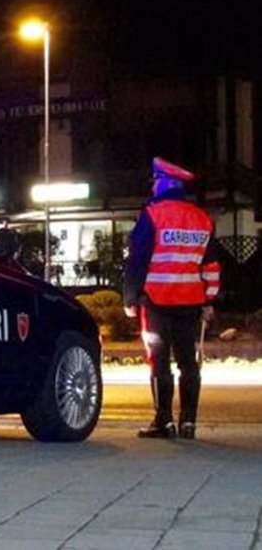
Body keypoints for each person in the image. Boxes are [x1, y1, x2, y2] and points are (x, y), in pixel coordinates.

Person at [123, 157, 221, 440]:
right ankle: (189, 422)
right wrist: (209, 300)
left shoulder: (153, 214)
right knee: (188, 362)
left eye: (155, 181)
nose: (153, 186)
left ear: (165, 183)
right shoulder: (201, 217)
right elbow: (211, 265)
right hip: (190, 302)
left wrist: (130, 296)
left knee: (159, 361)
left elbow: (138, 260)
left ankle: (163, 421)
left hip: (156, 301)